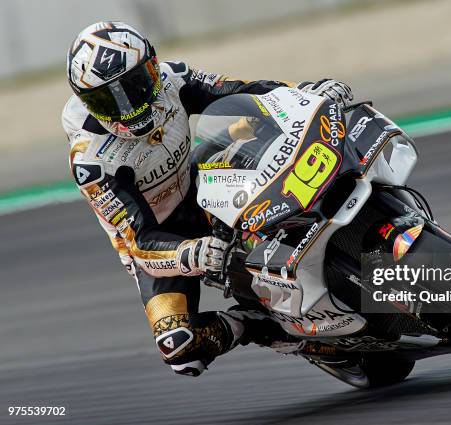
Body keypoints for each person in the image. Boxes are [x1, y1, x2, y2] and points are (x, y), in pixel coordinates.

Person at [61, 21, 353, 376]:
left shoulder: (174, 78)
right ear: (87, 102)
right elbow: (139, 242)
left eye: (134, 86)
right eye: (109, 98)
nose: (128, 107)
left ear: (151, 69)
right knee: (181, 349)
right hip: (163, 241)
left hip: (203, 186)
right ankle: (257, 324)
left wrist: (306, 92)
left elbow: (241, 91)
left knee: (252, 126)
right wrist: (194, 253)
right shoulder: (92, 161)